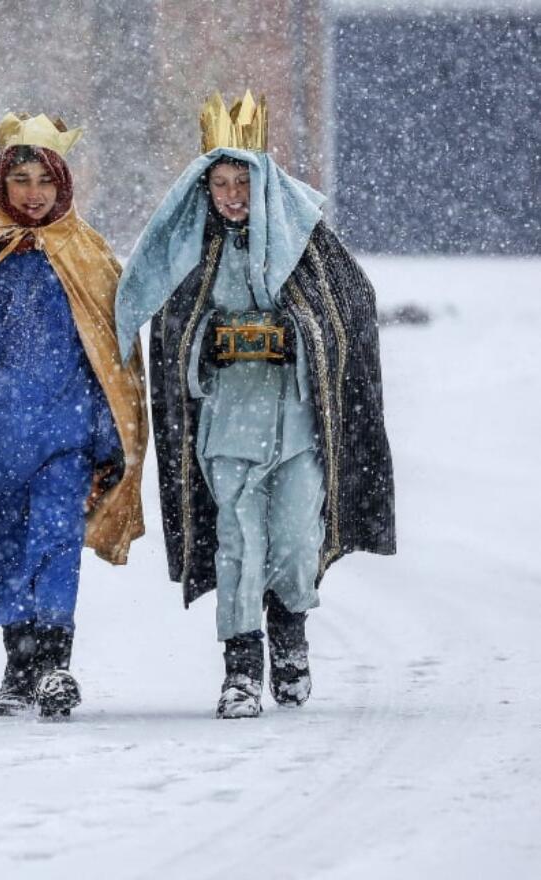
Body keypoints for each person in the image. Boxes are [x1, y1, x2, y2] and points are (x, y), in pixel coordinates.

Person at [114, 92, 395, 719]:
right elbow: (172, 330)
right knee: (237, 543)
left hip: (297, 422)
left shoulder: (307, 243)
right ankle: (241, 668)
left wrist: (293, 334)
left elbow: (347, 310)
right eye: (221, 182)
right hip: (227, 424)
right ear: (205, 186)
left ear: (262, 181)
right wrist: (209, 346)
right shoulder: (196, 252)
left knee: (296, 541)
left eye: (243, 181)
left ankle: (289, 633)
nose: (233, 195)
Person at [0, 113, 148, 718]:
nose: (34, 192)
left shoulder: (88, 255)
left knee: (54, 543)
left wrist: (108, 436)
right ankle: (21, 669)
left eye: (45, 179)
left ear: (63, 182)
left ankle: (55, 666)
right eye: (21, 179)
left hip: (61, 439)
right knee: (3, 552)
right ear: (1, 183)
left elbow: (109, 357)